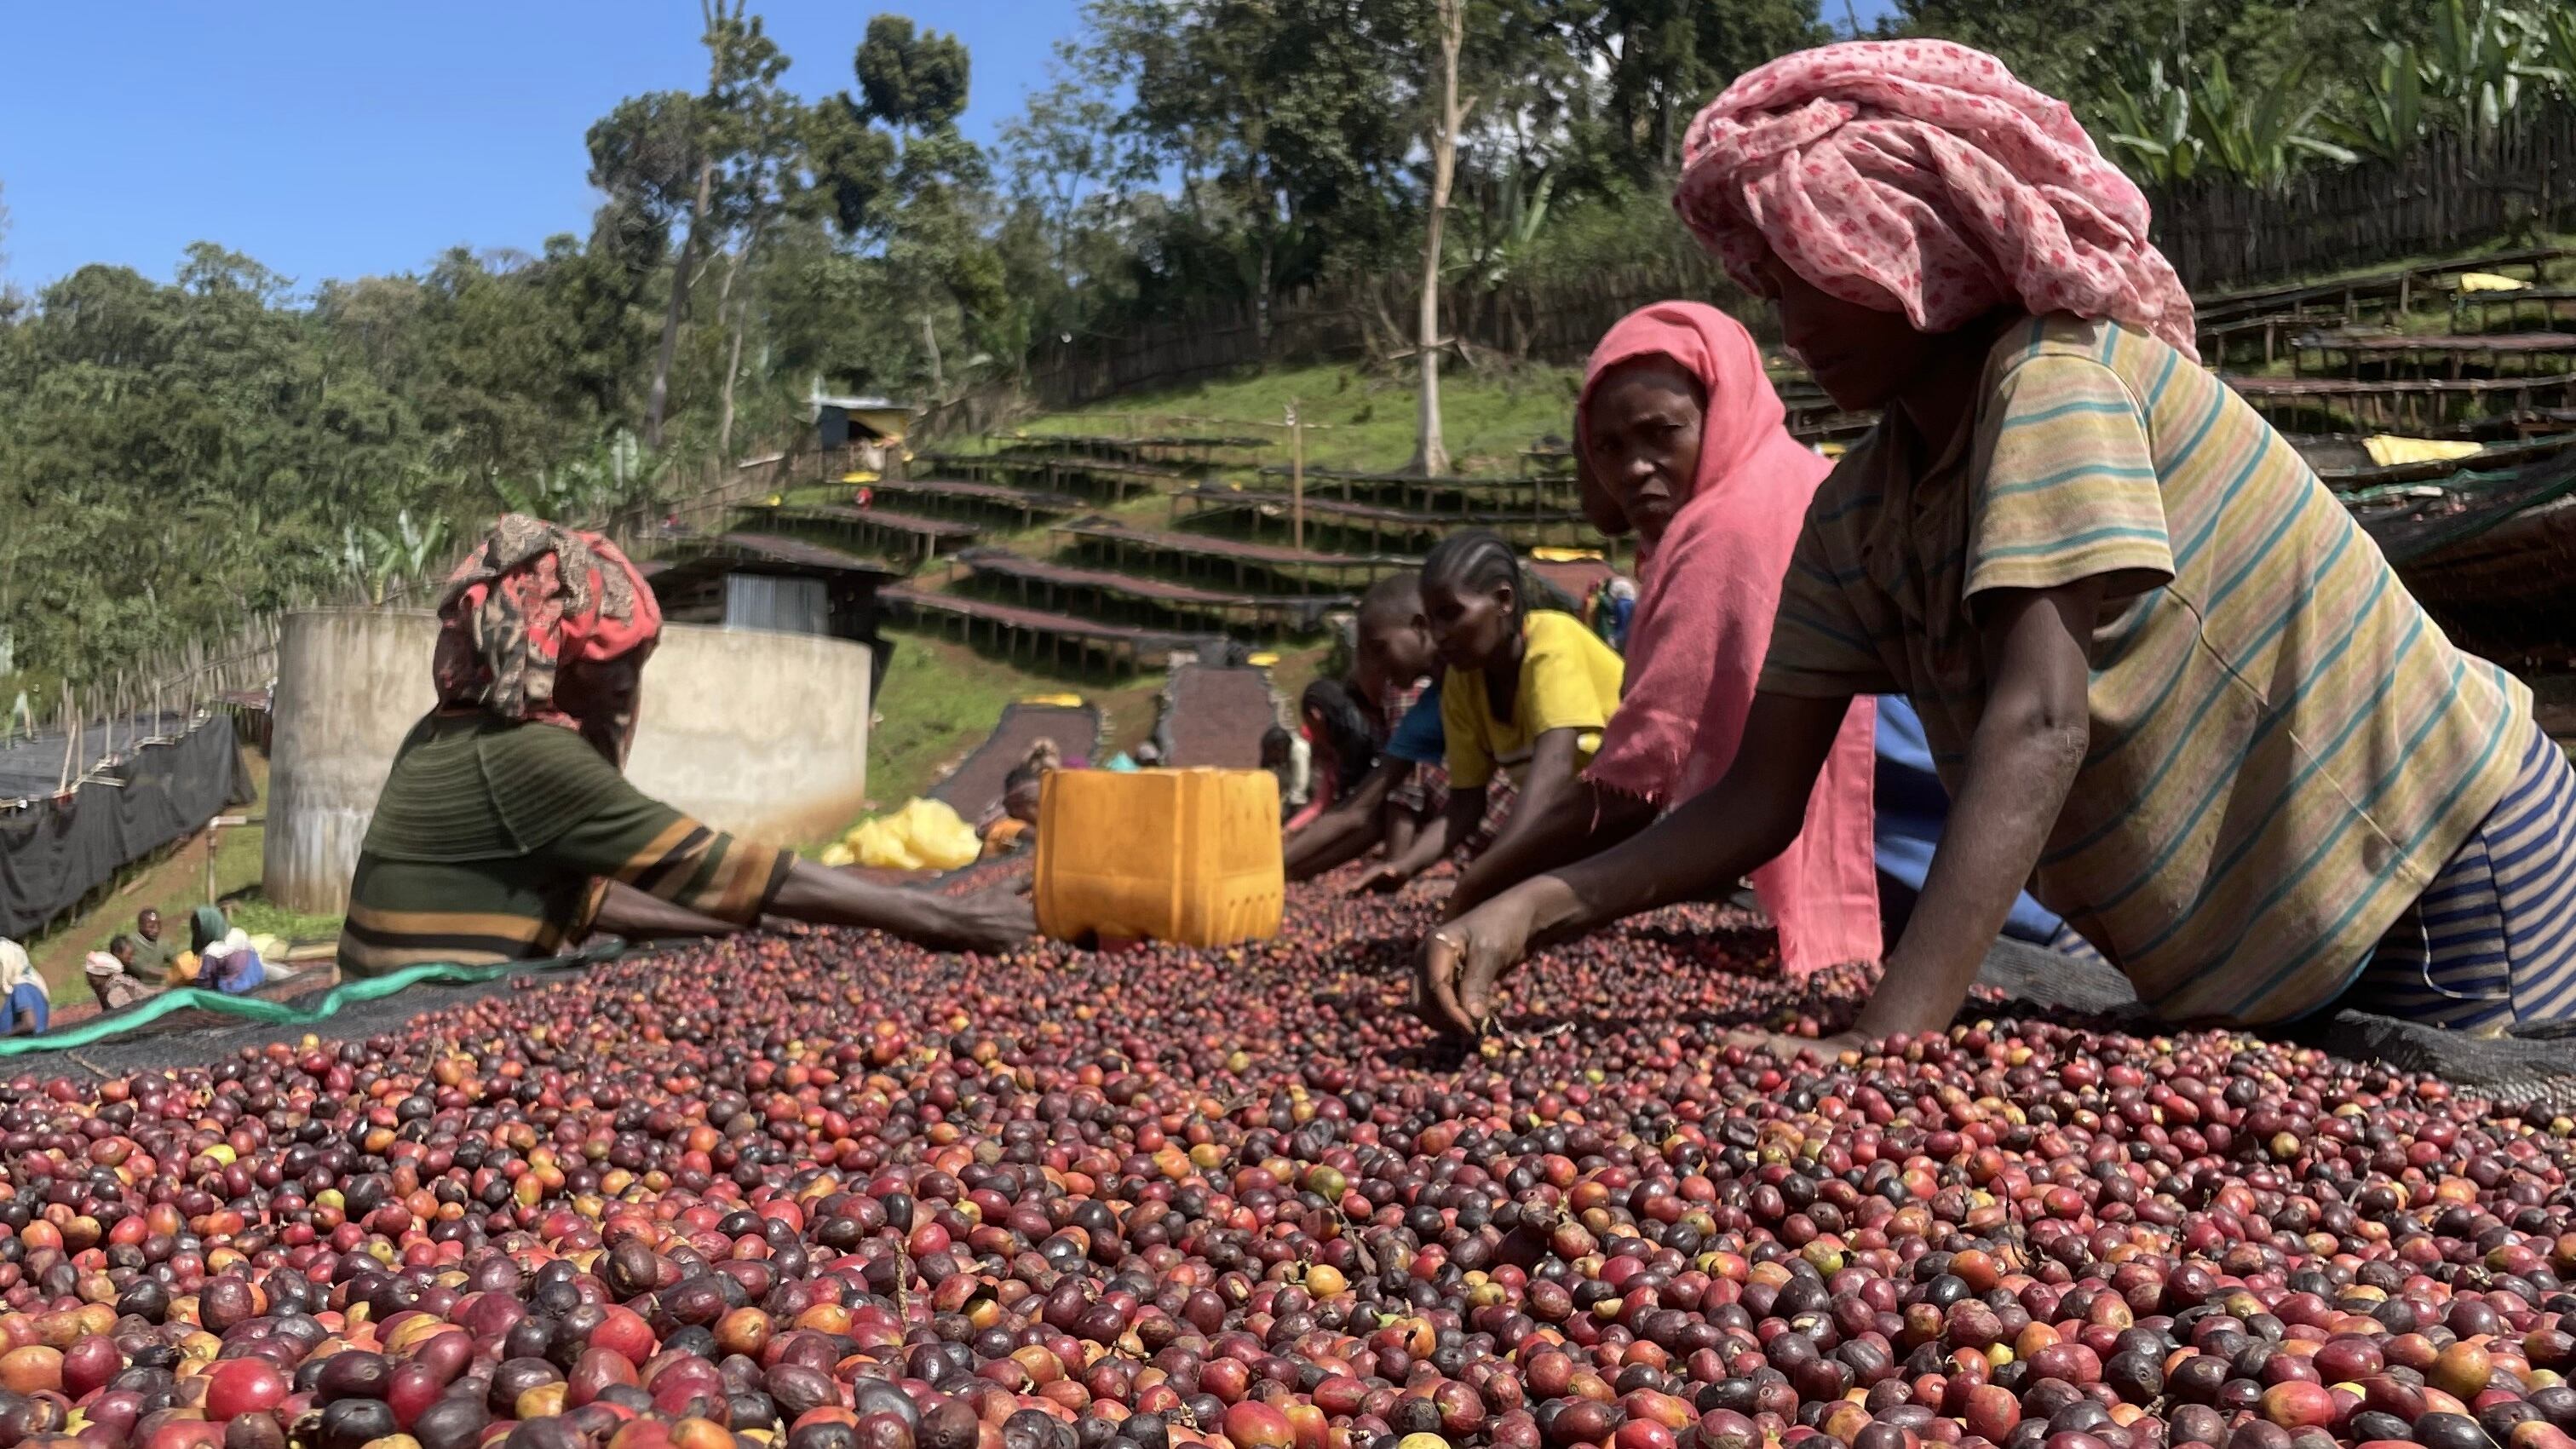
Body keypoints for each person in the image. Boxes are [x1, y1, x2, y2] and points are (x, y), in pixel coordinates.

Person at [1423, 39, 2576, 1041]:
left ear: (1918, 257)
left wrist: (1891, 1036)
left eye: (1815, 280)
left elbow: (2041, 717)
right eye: (1775, 290)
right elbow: (1754, 799)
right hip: (2269, 948)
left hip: (2434, 868)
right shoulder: (1861, 509)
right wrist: (1532, 907)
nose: (1794, 324)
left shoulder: (2054, 386)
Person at [341, 515, 1032, 976]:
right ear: (557, 662)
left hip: (403, 1002)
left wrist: (741, 928)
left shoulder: (444, 733)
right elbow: (727, 866)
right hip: (430, 1024)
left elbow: (595, 896)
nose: (626, 696)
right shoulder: (530, 758)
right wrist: (946, 918)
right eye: (617, 673)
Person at [1432, 302, 1883, 979]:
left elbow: (1635, 785)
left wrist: (1485, 890)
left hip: (1895, 808)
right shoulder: (1775, 482)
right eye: (1608, 448)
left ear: (1720, 411)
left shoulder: (1730, 527)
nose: (1635, 468)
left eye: (1661, 434)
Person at [1363, 531, 1625, 896]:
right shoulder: (1463, 681)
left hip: (1655, 819)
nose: (1439, 635)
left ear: (1503, 600)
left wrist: (1484, 877)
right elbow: (1465, 806)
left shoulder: (1552, 644)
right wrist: (1403, 866)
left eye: (1451, 614)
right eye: (1432, 620)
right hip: (1588, 838)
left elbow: (1552, 773)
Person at [1285, 574, 1453, 882]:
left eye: (1378, 649)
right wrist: (1281, 868)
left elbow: (1402, 800)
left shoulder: (1405, 695)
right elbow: (1361, 810)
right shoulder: (1429, 700)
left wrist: (1396, 866)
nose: (1376, 665)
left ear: (1420, 628)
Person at [1285, 679, 1378, 831]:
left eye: (1310, 726)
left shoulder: (1365, 740)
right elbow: (1319, 805)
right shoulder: (1334, 753)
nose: (1314, 736)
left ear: (1317, 715)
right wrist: (1288, 830)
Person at [980, 742, 1054, 858]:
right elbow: (1051, 842)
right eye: (1035, 805)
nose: (1044, 809)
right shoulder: (1006, 826)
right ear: (1015, 808)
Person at [87, 938, 160, 1013]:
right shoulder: (110, 983)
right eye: (129, 956)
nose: (132, 960)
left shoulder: (116, 991)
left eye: (92, 976)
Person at [0, 937, 48, 1037]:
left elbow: (29, 1024)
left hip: (24, 1047)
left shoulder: (21, 987)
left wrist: (4, 1037)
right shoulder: (23, 985)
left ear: (9, 962)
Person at [129, 908, 178, 980]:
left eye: (159, 925)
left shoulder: (163, 944)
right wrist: (172, 973)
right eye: (151, 927)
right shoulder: (131, 943)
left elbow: (177, 960)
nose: (156, 930)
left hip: (160, 986)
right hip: (138, 987)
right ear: (140, 926)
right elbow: (144, 968)